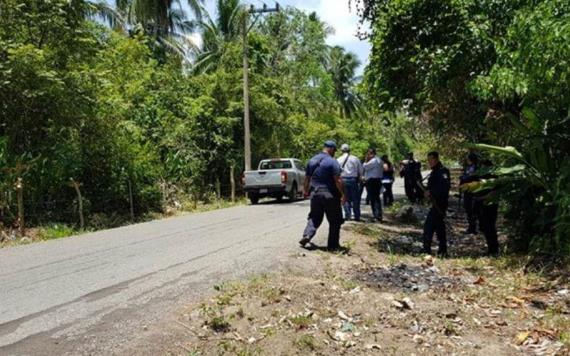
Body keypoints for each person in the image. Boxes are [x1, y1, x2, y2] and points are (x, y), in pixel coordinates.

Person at [299, 140, 346, 250]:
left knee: (314, 216)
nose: (334, 152)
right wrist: (343, 194)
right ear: (330, 149)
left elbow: (307, 179)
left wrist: (305, 191)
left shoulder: (312, 160)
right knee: (335, 220)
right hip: (330, 195)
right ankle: (333, 246)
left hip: (315, 194)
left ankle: (307, 235)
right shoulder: (332, 162)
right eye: (334, 150)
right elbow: (338, 180)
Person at [421, 151, 451, 257]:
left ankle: (426, 249)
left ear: (436, 159)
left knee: (428, 226)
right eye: (428, 160)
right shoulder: (434, 172)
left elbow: (444, 188)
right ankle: (442, 250)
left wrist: (431, 192)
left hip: (440, 204)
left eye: (431, 160)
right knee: (439, 227)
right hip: (434, 203)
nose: (429, 162)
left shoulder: (443, 171)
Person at [474, 159, 500, 256]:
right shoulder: (482, 176)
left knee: (490, 227)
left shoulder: (494, 177)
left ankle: (494, 250)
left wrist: (481, 197)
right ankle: (491, 249)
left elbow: (494, 192)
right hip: (481, 204)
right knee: (485, 227)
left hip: (489, 204)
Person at [337, 144, 364, 221]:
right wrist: (360, 178)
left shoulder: (338, 159)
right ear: (349, 150)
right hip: (353, 180)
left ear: (341, 150)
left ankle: (347, 215)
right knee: (355, 198)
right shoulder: (355, 159)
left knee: (345, 198)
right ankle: (357, 216)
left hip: (343, 180)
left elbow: (336, 172)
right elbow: (361, 170)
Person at [460, 153, 480, 234]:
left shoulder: (474, 168)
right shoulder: (469, 167)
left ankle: (473, 228)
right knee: (468, 209)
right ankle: (471, 227)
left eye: (467, 158)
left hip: (472, 190)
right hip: (468, 190)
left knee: (471, 209)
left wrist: (464, 178)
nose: (466, 160)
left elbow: (471, 177)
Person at [363, 148, 383, 222]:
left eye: (369, 153)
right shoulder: (379, 160)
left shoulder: (373, 161)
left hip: (372, 181)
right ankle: (379, 215)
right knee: (377, 198)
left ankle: (376, 216)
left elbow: (365, 167)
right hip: (378, 180)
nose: (368, 155)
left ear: (371, 154)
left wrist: (365, 160)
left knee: (373, 199)